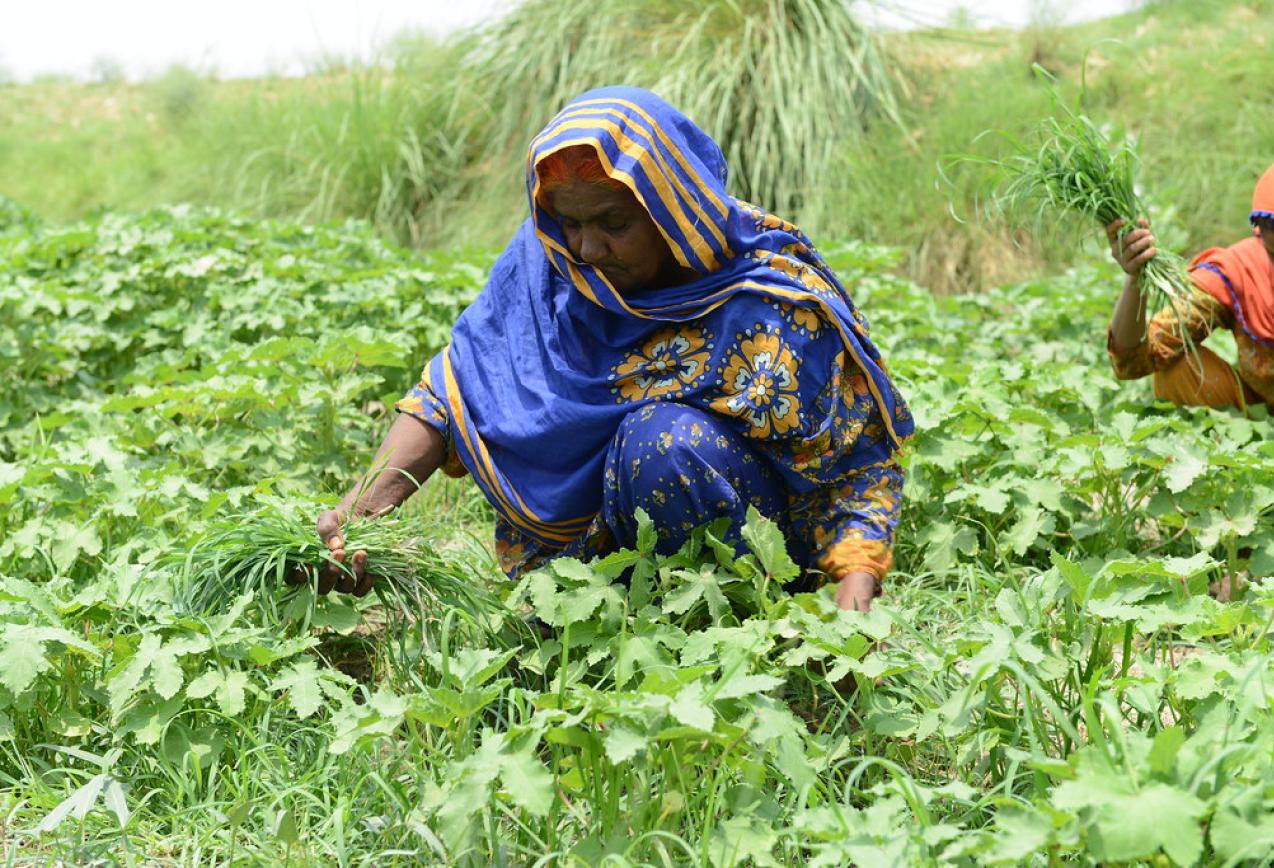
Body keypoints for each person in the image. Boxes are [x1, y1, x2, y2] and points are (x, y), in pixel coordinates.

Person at [314, 86, 913, 613]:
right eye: (568, 223)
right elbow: (451, 395)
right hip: (579, 582)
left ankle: (720, 624)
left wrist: (854, 599)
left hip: (746, 555)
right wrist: (360, 513)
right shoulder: (547, 270)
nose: (587, 248)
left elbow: (857, 464)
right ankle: (595, 619)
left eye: (612, 223)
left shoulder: (764, 298)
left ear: (672, 209)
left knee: (662, 443)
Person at [1108, 153, 1274, 425]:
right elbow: (1135, 359)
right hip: (1257, 431)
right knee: (1176, 368)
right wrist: (1135, 277)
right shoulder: (1241, 272)